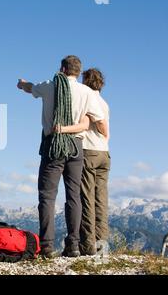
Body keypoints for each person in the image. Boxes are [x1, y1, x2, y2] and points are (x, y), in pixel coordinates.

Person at [17, 56, 105, 258]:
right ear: (78, 71)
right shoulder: (87, 93)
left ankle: (47, 246)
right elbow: (97, 119)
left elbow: (31, 88)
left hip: (53, 144)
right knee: (74, 196)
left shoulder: (51, 85)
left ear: (63, 69)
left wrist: (22, 84)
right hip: (76, 146)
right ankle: (72, 245)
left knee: (47, 197)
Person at [54, 68, 111, 255]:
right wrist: (105, 135)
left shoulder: (88, 98)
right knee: (101, 200)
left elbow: (98, 124)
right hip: (104, 153)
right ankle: (102, 244)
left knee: (86, 199)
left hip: (89, 152)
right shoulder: (104, 102)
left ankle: (88, 246)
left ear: (86, 81)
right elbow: (105, 128)